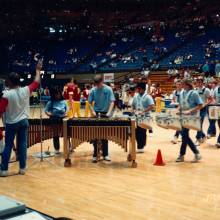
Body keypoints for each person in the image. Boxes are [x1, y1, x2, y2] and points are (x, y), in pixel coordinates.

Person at [0, 63, 41, 177]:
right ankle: (22, 169)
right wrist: (38, 70)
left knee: (8, 145)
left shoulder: (6, 95)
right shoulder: (26, 90)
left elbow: (0, 110)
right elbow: (36, 82)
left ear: (11, 82)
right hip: (24, 122)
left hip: (11, 123)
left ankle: (4, 170)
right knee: (23, 144)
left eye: (8, 80)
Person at [88, 75, 115, 163]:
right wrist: (92, 111)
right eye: (96, 84)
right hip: (96, 114)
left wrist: (109, 112)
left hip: (106, 114)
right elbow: (89, 102)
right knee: (96, 135)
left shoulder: (108, 89)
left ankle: (105, 154)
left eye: (99, 83)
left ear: (102, 81)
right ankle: (95, 155)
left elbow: (112, 101)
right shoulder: (93, 90)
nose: (97, 86)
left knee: (104, 135)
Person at [176, 79, 203, 163]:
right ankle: (187, 155)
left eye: (182, 83)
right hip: (182, 117)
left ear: (187, 84)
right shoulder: (181, 93)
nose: (180, 85)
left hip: (191, 117)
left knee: (184, 135)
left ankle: (191, 154)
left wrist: (190, 111)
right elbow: (181, 104)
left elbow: (200, 105)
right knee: (184, 136)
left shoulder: (194, 93)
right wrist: (178, 110)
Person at [132, 82, 155, 153]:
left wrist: (143, 111)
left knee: (142, 132)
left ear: (143, 89)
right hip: (137, 116)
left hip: (145, 117)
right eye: (137, 89)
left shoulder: (148, 97)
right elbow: (133, 105)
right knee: (136, 132)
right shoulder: (136, 96)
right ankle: (141, 144)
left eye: (139, 89)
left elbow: (152, 106)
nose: (138, 90)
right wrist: (133, 110)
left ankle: (140, 146)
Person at [45, 87, 68, 154]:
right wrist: (50, 114)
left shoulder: (64, 102)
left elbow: (67, 110)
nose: (57, 96)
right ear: (53, 95)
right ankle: (57, 149)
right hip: (54, 119)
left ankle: (67, 148)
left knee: (66, 134)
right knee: (56, 134)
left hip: (63, 120)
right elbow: (46, 111)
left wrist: (65, 114)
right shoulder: (50, 102)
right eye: (56, 94)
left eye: (58, 94)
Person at [195, 77, 212, 144]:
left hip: (203, 109)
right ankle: (204, 136)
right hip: (196, 109)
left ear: (202, 82)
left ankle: (198, 138)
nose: (198, 83)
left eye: (200, 82)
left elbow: (211, 99)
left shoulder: (206, 90)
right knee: (197, 124)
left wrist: (205, 104)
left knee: (199, 124)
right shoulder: (195, 89)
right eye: (197, 82)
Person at [171, 80, 182, 144]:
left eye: (179, 84)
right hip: (176, 107)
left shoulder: (183, 92)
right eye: (177, 84)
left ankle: (176, 136)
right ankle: (180, 136)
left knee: (179, 123)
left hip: (182, 108)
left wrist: (179, 107)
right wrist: (173, 102)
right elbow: (173, 99)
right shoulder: (174, 92)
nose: (178, 85)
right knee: (178, 123)